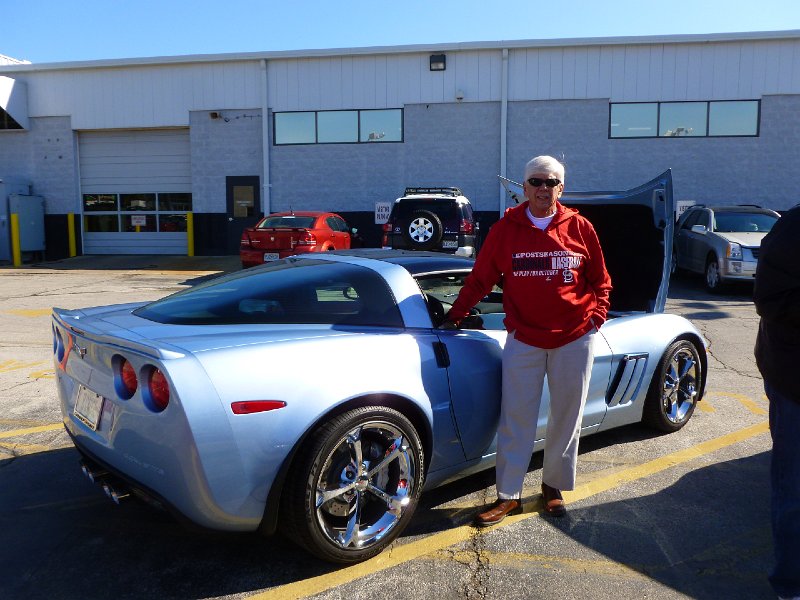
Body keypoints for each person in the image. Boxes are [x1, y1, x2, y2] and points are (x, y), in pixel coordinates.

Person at [441, 155, 612, 526]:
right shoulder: (506, 230)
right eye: (536, 181)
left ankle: (553, 487)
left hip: (575, 337)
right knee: (517, 417)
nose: (543, 188)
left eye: (551, 182)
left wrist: (595, 318)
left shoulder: (580, 228)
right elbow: (480, 279)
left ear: (561, 188)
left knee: (567, 417)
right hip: (524, 338)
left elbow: (600, 281)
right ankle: (509, 495)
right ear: (524, 187)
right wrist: (453, 315)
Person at [753, 204, 800, 600]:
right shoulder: (794, 227)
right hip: (795, 382)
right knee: (795, 489)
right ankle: (791, 585)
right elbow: (771, 300)